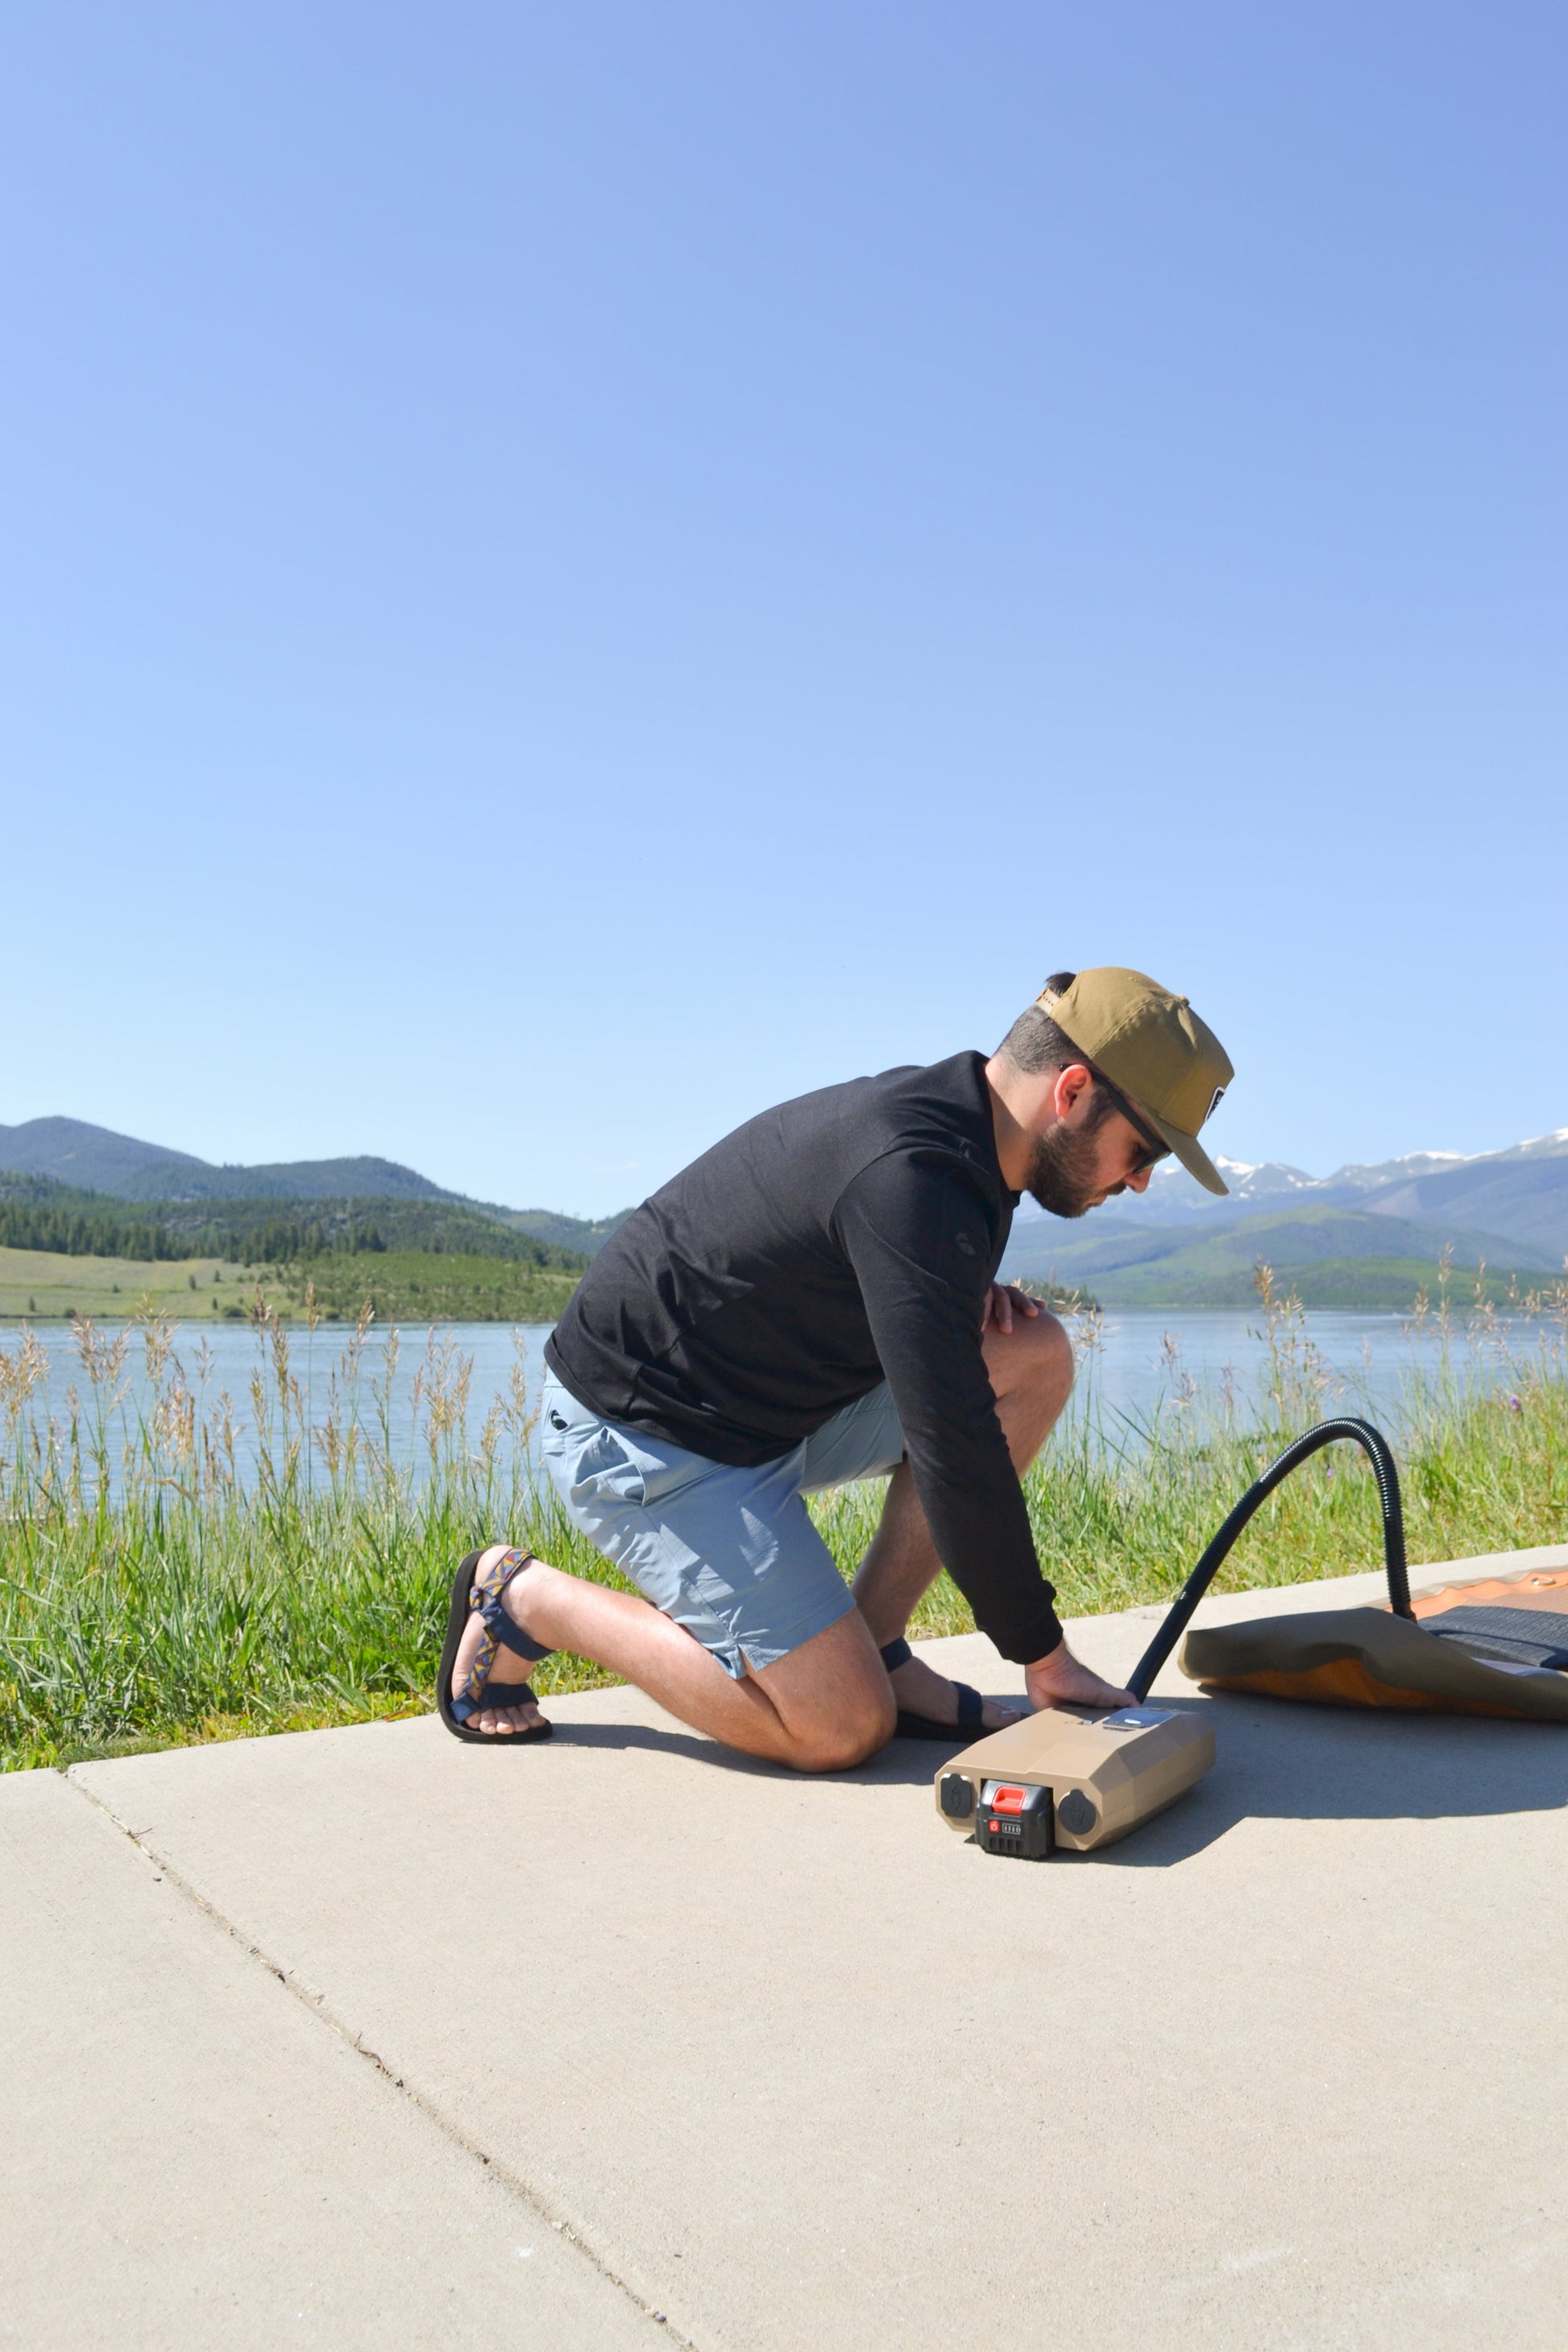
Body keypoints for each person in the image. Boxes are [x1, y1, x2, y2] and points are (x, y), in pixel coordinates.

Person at [438, 966, 1234, 1769]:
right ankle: (524, 1599)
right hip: (647, 1439)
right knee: (838, 1726)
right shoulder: (910, 1170)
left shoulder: (971, 1144)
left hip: (769, 1413)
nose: (1137, 1180)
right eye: (1143, 1150)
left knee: (1031, 1355)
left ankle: (878, 1645)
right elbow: (953, 1441)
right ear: (1069, 1091)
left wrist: (944, 1290)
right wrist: (1040, 1653)